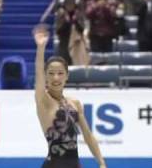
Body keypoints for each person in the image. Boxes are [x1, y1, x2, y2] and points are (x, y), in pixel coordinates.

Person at [33, 24, 107, 168]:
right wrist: (41, 48)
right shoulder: (44, 101)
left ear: (67, 76)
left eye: (60, 73)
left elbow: (88, 136)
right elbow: (38, 74)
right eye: (51, 73)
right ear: (46, 78)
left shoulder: (75, 103)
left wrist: (101, 162)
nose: (56, 78)